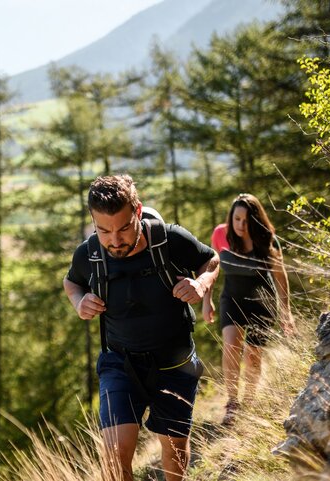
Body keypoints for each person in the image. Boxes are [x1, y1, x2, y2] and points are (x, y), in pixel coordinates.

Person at [63, 174, 219, 481]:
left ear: (138, 212)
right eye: (103, 230)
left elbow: (210, 259)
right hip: (120, 363)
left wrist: (201, 283)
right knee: (114, 453)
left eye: (123, 228)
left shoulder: (170, 240)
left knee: (174, 449)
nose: (114, 240)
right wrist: (79, 302)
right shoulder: (90, 253)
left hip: (176, 363)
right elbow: (71, 282)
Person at [202, 193, 294, 426]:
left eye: (246, 220)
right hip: (231, 297)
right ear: (231, 219)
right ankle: (233, 403)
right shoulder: (220, 235)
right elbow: (212, 268)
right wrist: (207, 299)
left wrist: (286, 311)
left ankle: (249, 402)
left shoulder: (267, 240)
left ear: (255, 219)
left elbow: (280, 278)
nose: (241, 225)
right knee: (231, 345)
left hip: (261, 301)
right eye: (237, 219)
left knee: (253, 355)